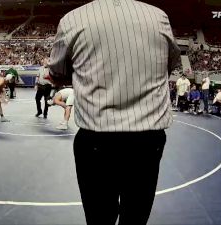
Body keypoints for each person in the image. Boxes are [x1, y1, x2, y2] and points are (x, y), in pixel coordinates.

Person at [47, 0, 180, 224]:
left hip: (97, 138)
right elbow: (170, 64)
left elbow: (57, 73)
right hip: (147, 138)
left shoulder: (73, 19)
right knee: (136, 216)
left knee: (99, 217)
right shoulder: (158, 16)